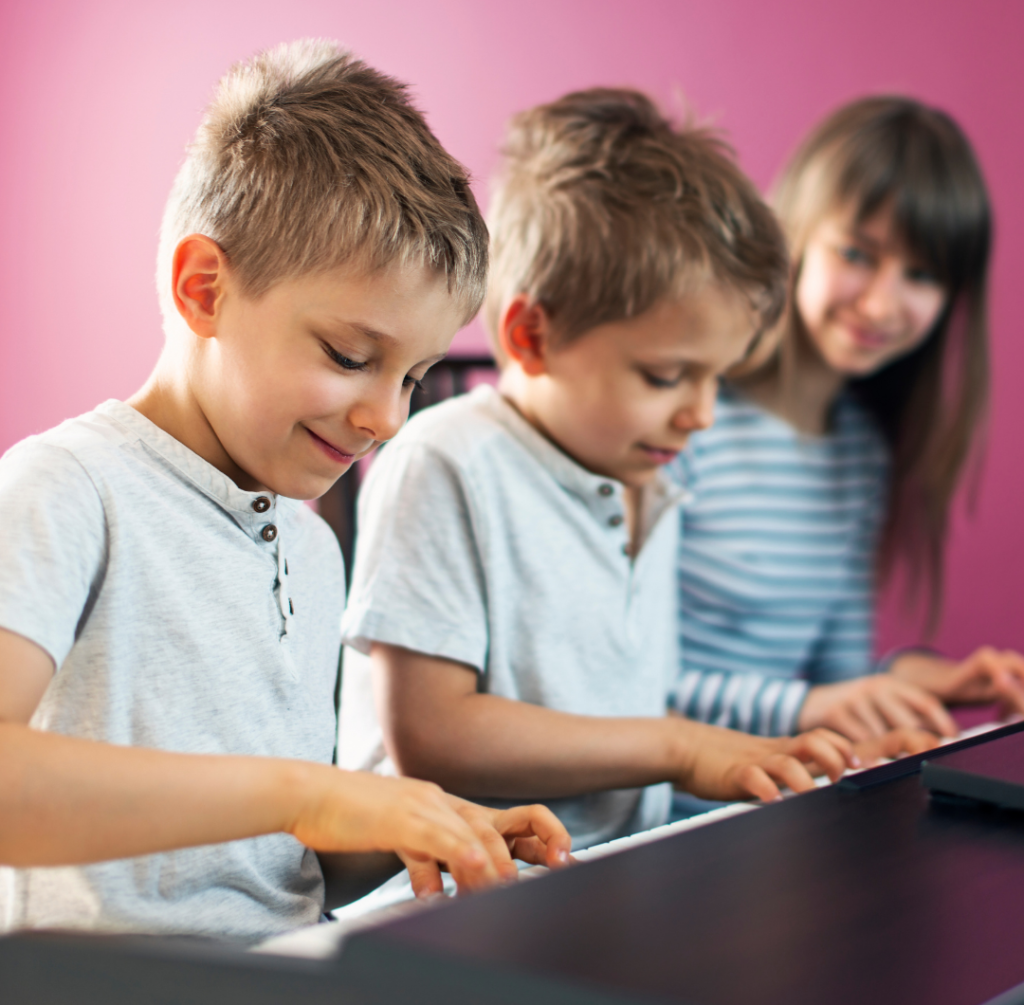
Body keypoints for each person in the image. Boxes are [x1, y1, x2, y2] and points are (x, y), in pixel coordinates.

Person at [0, 40, 573, 944]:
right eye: (351, 357)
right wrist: (310, 792)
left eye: (414, 377)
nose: (386, 417)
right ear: (204, 291)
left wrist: (410, 821)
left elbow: (270, 860)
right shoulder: (70, 490)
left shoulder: (311, 545)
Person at [336, 88, 889, 854]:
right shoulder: (448, 461)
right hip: (452, 888)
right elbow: (432, 733)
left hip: (613, 875)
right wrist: (681, 747)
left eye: (715, 379)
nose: (701, 414)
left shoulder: (649, 483)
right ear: (531, 335)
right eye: (666, 377)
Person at [670, 96, 1024, 743]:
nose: (882, 303)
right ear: (796, 232)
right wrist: (809, 712)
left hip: (778, 806)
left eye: (920, 274)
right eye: (858, 255)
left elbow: (839, 679)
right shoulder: (683, 417)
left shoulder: (861, 454)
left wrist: (923, 683)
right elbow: (615, 686)